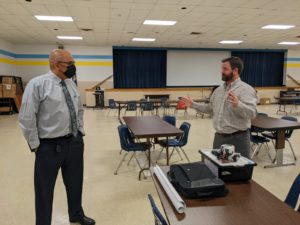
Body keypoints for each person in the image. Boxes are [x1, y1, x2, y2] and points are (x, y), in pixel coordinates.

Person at [19, 49, 95, 225]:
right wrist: (35, 145)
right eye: (69, 64)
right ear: (55, 64)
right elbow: (26, 117)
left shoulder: (70, 83)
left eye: (73, 63)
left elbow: (79, 110)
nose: (72, 67)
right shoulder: (37, 84)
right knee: (44, 190)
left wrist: (80, 131)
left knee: (75, 183)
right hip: (49, 147)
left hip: (74, 143)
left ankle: (76, 214)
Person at [182, 56, 257, 158]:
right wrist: (193, 104)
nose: (221, 71)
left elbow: (252, 113)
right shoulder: (218, 90)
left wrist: (239, 104)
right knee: (218, 170)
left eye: (225, 69)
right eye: (222, 68)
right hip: (219, 138)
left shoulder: (246, 89)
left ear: (235, 70)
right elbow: (210, 108)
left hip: (238, 138)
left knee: (239, 172)